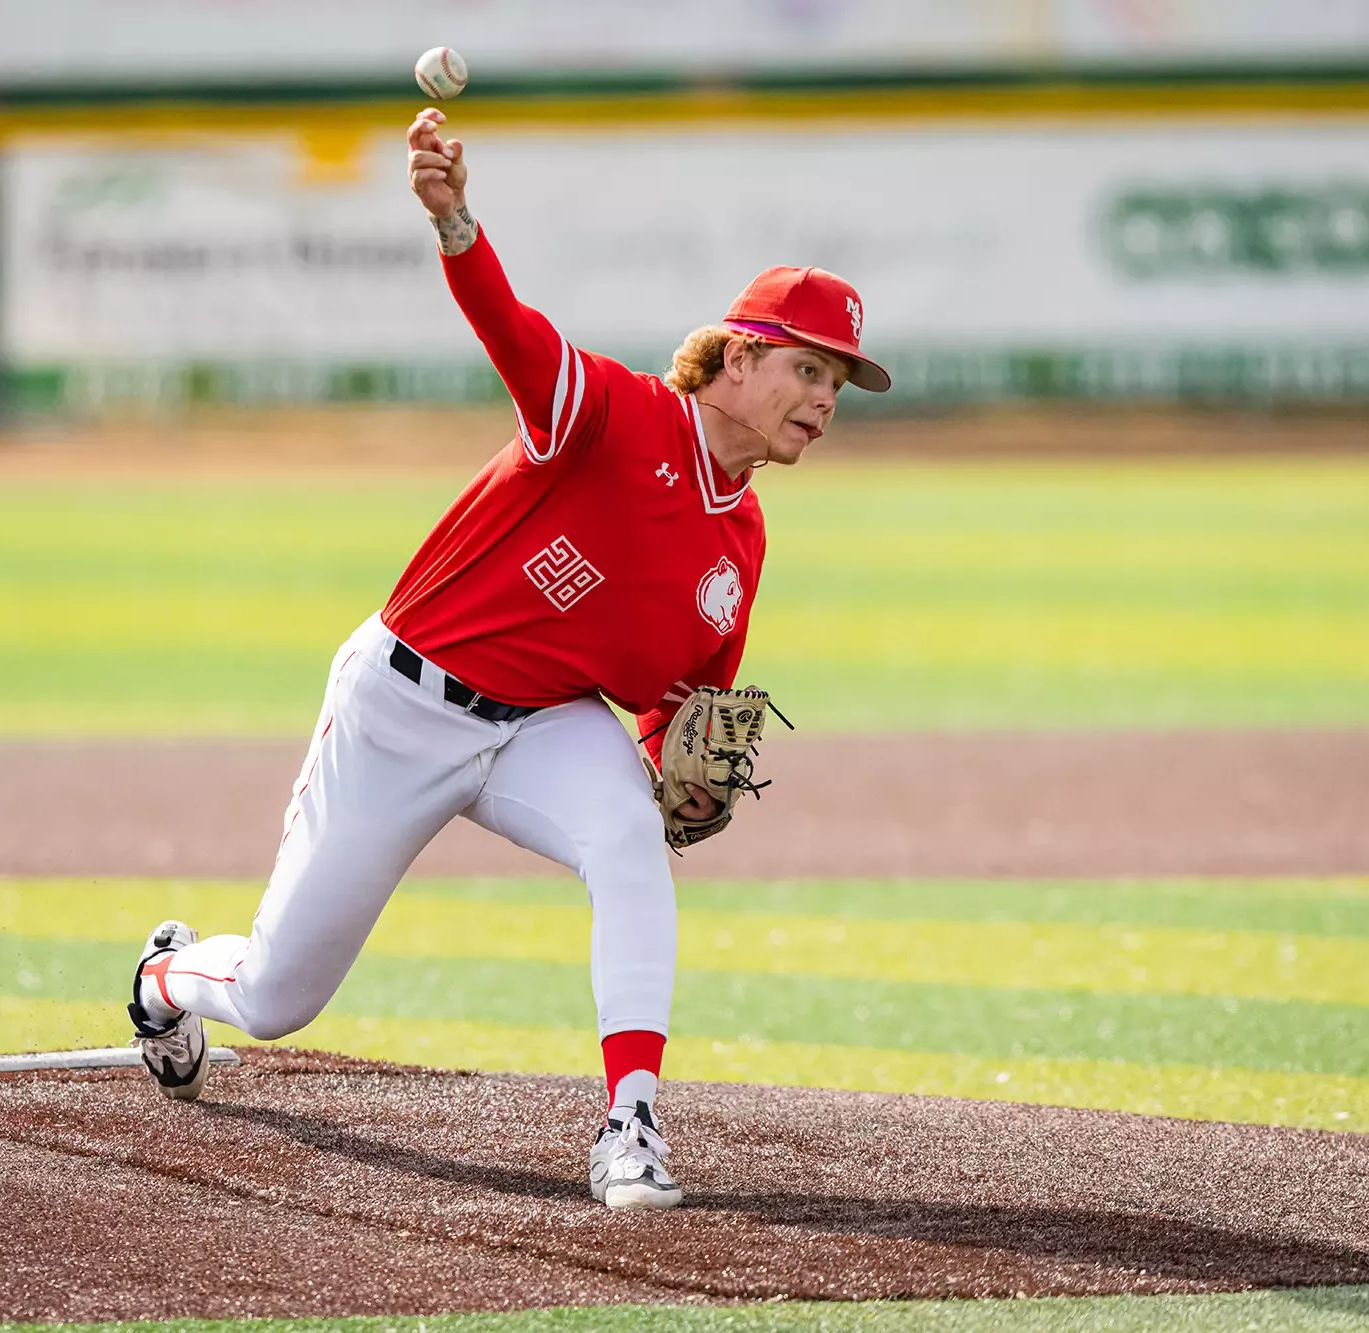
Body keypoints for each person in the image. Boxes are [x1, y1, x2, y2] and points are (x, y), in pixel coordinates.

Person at [126, 106, 890, 1210]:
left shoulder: (742, 541)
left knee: (630, 836)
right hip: (401, 709)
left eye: (838, 386)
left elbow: (682, 704)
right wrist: (455, 222)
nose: (823, 402)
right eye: (810, 371)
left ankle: (630, 1123)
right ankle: (164, 974)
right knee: (279, 992)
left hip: (541, 725)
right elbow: (511, 330)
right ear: (736, 356)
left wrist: (669, 766)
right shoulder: (613, 417)